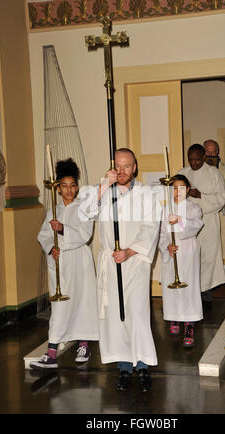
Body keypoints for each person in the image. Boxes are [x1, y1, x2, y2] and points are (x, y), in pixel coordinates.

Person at [78, 148, 161, 392]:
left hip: (134, 263)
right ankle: (124, 369)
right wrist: (104, 187)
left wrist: (130, 251)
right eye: (119, 166)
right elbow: (84, 214)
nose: (123, 171)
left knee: (137, 315)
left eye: (128, 166)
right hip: (110, 263)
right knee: (115, 317)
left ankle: (143, 366)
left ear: (135, 167)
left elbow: (150, 227)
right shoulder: (101, 190)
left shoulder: (146, 194)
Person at [30, 158, 99, 369]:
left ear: (77, 187)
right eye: (64, 186)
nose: (69, 190)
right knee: (59, 307)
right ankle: (51, 352)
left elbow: (85, 235)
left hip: (79, 262)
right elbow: (43, 235)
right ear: (58, 188)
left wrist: (62, 229)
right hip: (60, 264)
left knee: (82, 302)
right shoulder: (53, 210)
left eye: (72, 185)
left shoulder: (83, 208)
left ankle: (84, 344)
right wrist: (51, 247)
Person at [178, 144, 225, 306]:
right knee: (190, 257)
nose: (193, 163)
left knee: (207, 258)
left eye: (197, 160)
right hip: (188, 222)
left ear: (204, 157)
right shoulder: (183, 173)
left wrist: (200, 195)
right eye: (190, 160)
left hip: (208, 223)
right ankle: (189, 294)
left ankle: (205, 294)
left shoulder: (213, 173)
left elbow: (221, 198)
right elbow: (174, 196)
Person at [159, 174, 203, 347]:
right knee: (171, 288)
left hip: (187, 252)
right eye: (174, 188)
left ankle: (189, 325)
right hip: (172, 252)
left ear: (188, 189)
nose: (178, 192)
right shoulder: (165, 209)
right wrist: (167, 246)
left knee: (188, 288)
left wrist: (179, 220)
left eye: (182, 188)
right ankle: (174, 317)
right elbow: (161, 233)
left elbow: (195, 225)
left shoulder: (193, 208)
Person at [203, 139, 225, 284]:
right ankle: (210, 280)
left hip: (222, 212)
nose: (211, 154)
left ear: (218, 152)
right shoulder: (199, 170)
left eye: (214, 151)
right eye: (208, 151)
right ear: (203, 152)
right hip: (207, 214)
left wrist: (220, 202)